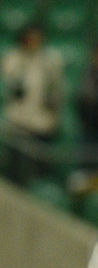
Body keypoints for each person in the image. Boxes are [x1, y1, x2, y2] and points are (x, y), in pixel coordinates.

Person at [0, 23, 65, 183]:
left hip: (41, 123)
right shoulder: (13, 58)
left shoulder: (50, 60)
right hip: (17, 123)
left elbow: (58, 92)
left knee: (38, 172)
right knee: (14, 170)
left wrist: (54, 116)